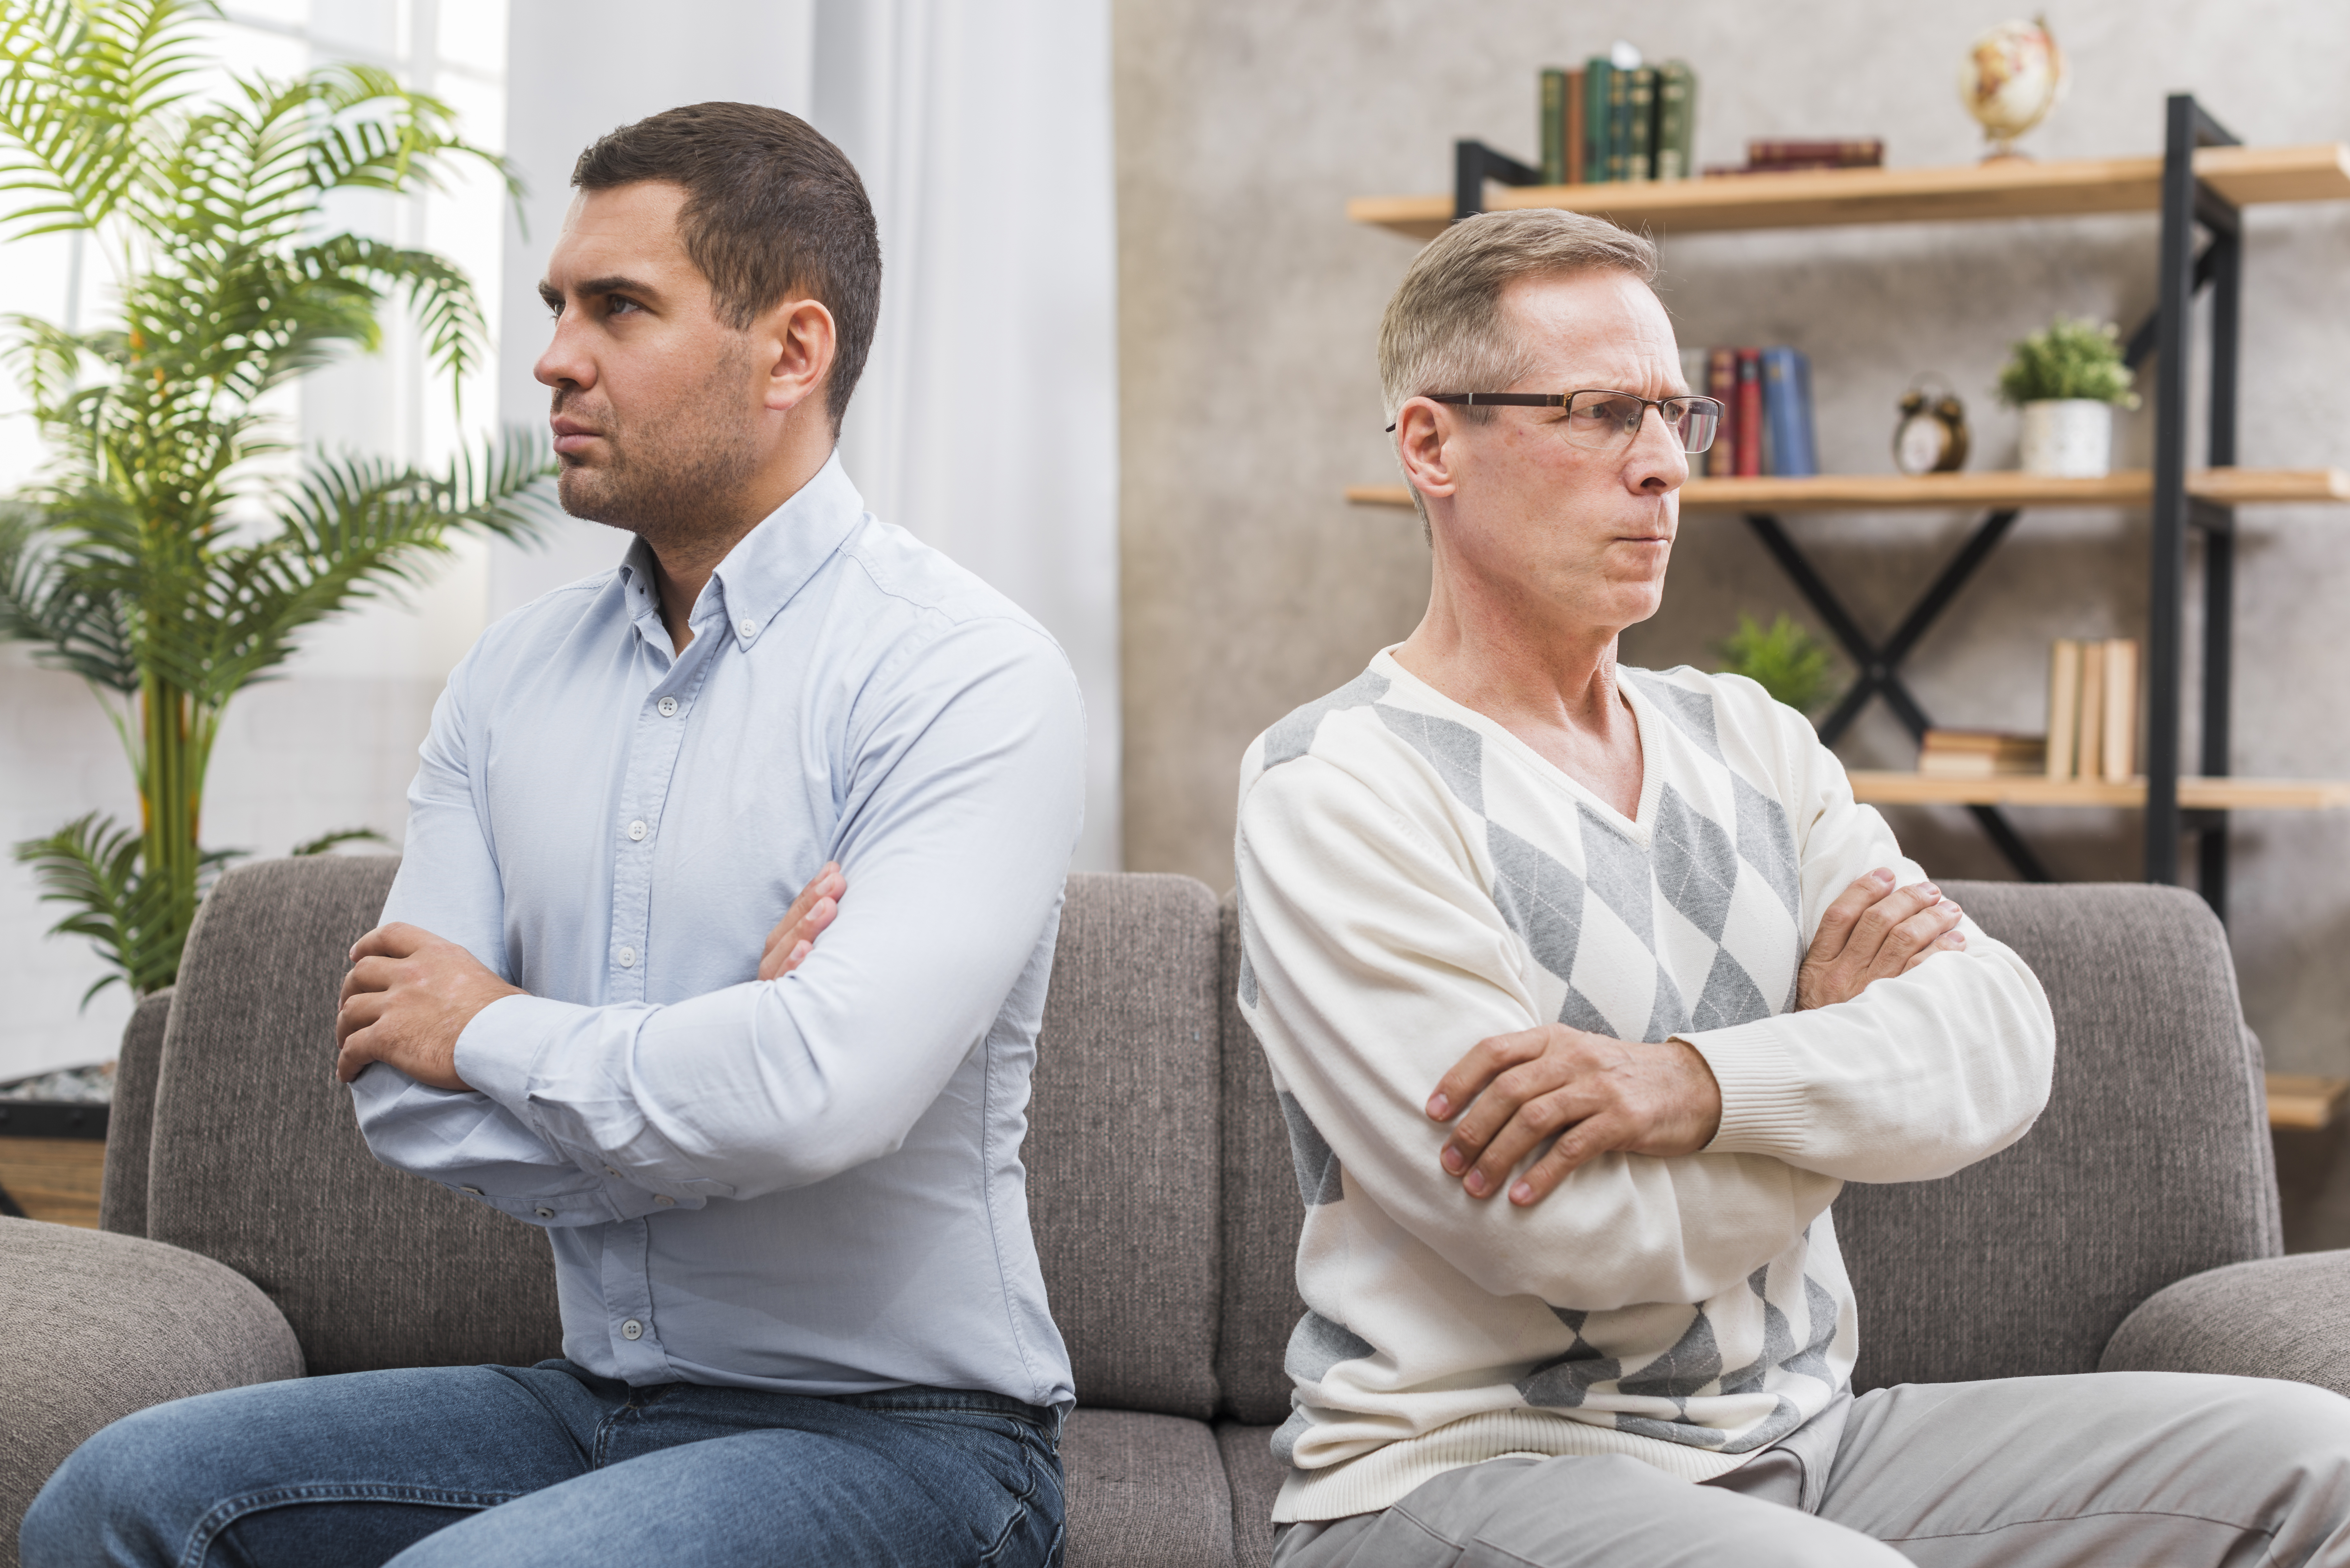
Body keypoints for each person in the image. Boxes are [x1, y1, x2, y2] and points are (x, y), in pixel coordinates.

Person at [21, 103, 1083, 1568]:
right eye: (556, 305)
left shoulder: (965, 671)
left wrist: (494, 1029)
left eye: (618, 308)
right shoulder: (508, 680)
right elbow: (404, 1093)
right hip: (597, 1401)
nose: (554, 357)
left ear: (792, 351)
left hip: (911, 1443)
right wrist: (717, 1064)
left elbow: (816, 1096)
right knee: (113, 1496)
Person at [1233, 206, 2350, 1567]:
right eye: (1598, 412)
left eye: (1672, 413)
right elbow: (1565, 1231)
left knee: (2323, 1464)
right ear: (1431, 445)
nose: (1662, 464)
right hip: (1471, 1471)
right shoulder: (1337, 784)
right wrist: (1836, 1086)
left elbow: (2000, 1042)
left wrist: (1697, 1086)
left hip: (1814, 1442)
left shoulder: (1749, 738)